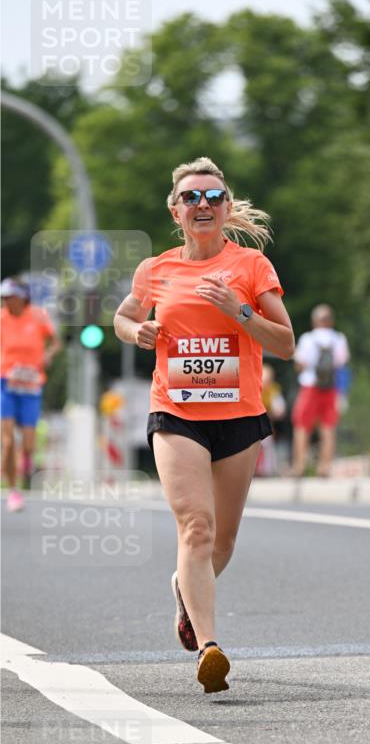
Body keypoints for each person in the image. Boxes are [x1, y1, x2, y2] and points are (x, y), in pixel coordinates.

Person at [113, 157, 294, 694]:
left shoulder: (252, 267)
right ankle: (210, 649)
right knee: (197, 527)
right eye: (192, 198)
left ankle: (183, 591)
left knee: (223, 544)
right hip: (177, 414)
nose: (203, 206)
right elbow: (123, 317)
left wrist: (238, 311)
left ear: (227, 206)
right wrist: (135, 332)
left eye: (213, 197)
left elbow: (285, 344)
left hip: (239, 417)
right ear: (176, 210)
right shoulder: (156, 270)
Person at [1, 277, 61, 511]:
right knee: (6, 442)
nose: (7, 302)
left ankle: (25, 458)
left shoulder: (37, 316)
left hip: (31, 386)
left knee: (27, 442)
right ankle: (13, 490)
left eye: (11, 298)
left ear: (22, 298)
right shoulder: (1, 318)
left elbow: (55, 343)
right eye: (4, 298)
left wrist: (48, 355)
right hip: (5, 383)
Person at [290, 304, 350, 477]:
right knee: (328, 427)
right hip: (330, 388)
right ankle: (325, 467)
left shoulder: (308, 339)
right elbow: (341, 364)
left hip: (310, 386)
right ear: (331, 321)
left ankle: (300, 465)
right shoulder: (339, 339)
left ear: (314, 321)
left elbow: (300, 364)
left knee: (302, 425)